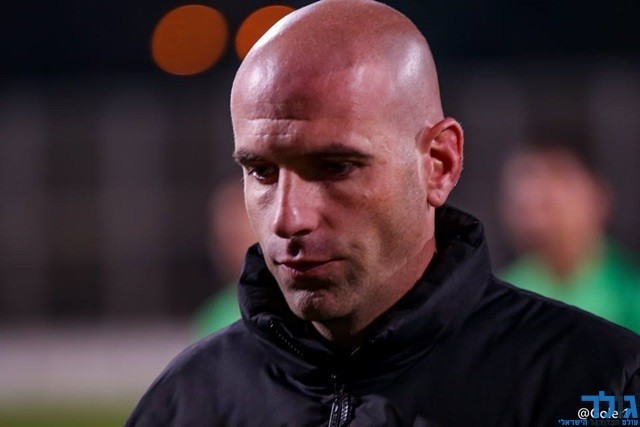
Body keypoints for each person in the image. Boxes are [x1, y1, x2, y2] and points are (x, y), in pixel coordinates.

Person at [127, 1, 640, 425]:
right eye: (261, 171)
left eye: (335, 167)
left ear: (439, 164)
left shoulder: (598, 386)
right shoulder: (183, 403)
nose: (287, 219)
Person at [499, 133, 640, 334]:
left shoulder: (629, 294)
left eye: (559, 175)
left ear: (599, 195)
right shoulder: (505, 297)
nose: (534, 195)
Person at [192, 178, 254, 339]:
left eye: (239, 238)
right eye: (225, 238)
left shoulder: (294, 305)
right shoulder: (213, 317)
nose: (231, 250)